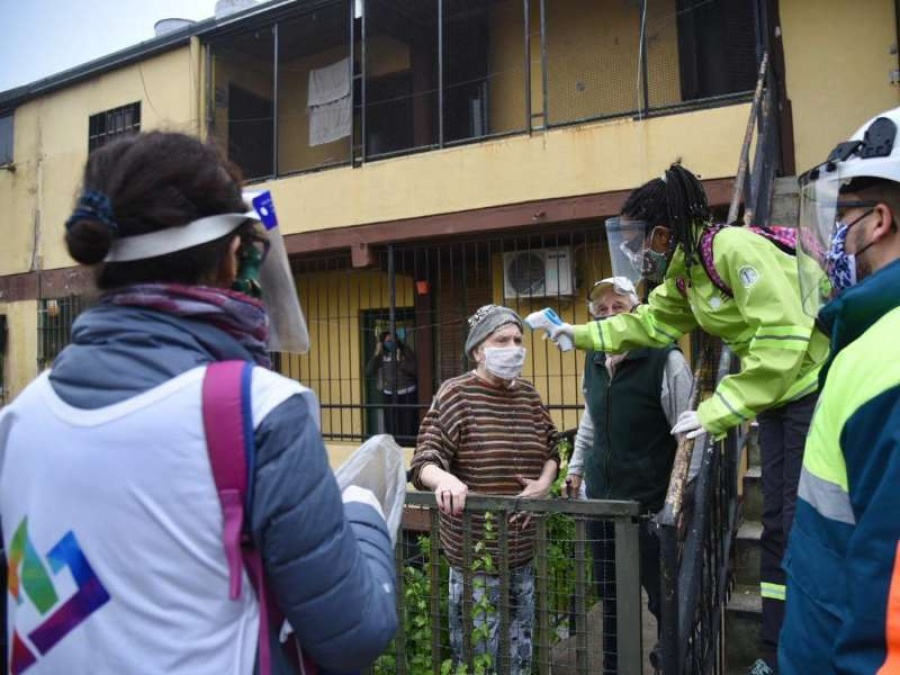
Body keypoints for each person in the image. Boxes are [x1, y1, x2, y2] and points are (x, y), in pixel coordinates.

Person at [0, 131, 397, 674]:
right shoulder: (259, 410)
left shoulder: (19, 419)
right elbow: (356, 635)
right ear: (233, 255)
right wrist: (365, 516)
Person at [550, 163, 829, 675]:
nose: (636, 253)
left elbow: (783, 340)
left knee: (798, 525)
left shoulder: (733, 251)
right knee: (774, 527)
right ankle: (773, 652)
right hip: (775, 399)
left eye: (638, 241)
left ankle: (805, 649)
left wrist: (718, 409)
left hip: (812, 389)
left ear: (663, 233)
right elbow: (650, 322)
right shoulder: (686, 275)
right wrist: (581, 334)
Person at [779, 107, 900, 674]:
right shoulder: (870, 339)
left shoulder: (886, 361)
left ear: (879, 221)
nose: (831, 238)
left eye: (840, 215)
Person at [409, 304, 560, 675]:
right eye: (501, 340)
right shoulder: (455, 394)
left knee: (519, 655)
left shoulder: (528, 395)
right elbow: (424, 459)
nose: (513, 347)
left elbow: (552, 449)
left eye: (517, 340)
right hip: (475, 557)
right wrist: (444, 479)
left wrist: (544, 483)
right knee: (476, 658)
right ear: (478, 350)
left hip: (523, 553)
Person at [566, 276, 694, 675]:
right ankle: (614, 667)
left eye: (617, 308)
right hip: (603, 502)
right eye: (600, 310)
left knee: (662, 598)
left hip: (651, 504)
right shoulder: (594, 358)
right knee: (612, 596)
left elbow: (688, 434)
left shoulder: (665, 359)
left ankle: (672, 662)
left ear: (636, 312)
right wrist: (574, 468)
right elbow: (590, 418)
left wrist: (682, 496)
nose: (607, 316)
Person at [366, 330, 418, 443]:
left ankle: (408, 444)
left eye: (393, 340)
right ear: (383, 343)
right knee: (391, 424)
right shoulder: (381, 355)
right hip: (389, 394)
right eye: (388, 341)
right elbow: (369, 370)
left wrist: (400, 361)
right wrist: (377, 352)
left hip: (407, 393)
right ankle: (393, 444)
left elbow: (415, 370)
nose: (391, 343)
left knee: (407, 424)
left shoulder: (405, 351)